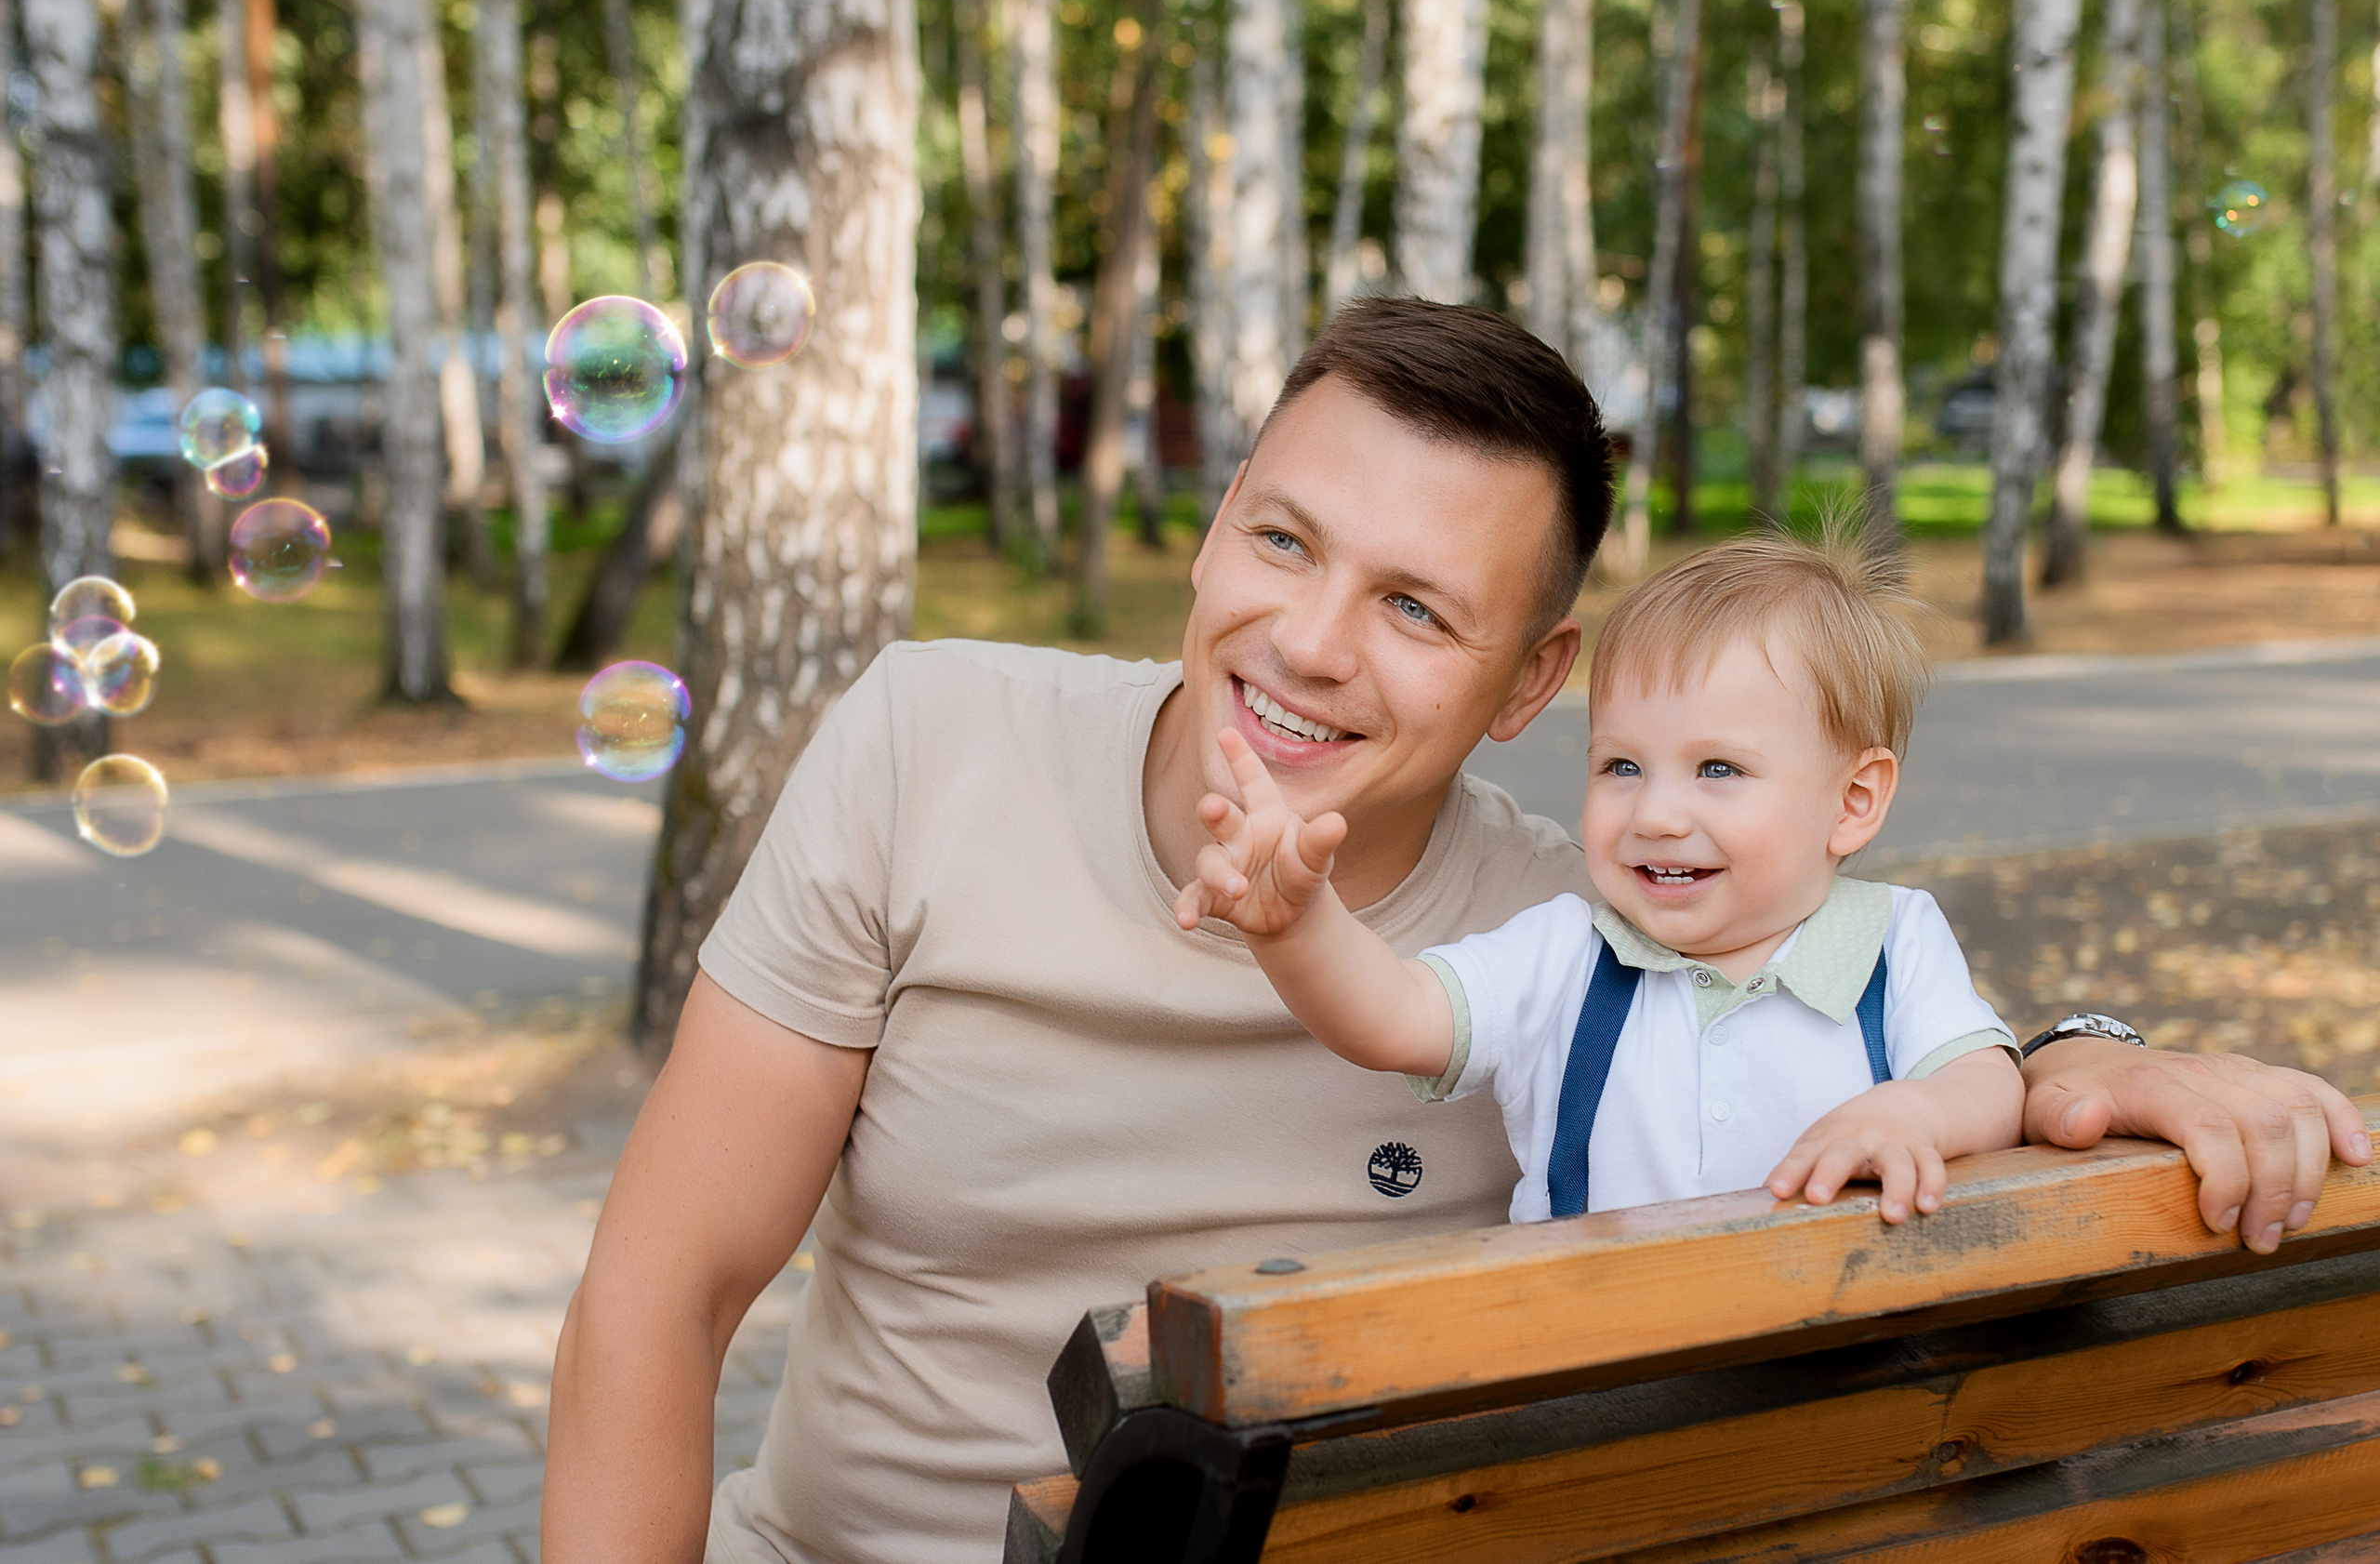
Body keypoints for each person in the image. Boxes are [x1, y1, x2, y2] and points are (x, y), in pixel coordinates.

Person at [542, 298, 2373, 1564]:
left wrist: (2092, 1057)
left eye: (1416, 607)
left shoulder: (1584, 932)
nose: (1310, 641)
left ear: (1529, 681)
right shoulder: (926, 741)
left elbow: (1878, 1020)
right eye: (1282, 541)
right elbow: (660, 1288)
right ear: (1212, 529)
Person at [1177, 528, 2023, 1226]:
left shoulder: (1894, 942)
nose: (1656, 813)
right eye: (1622, 765)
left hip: (1838, 1344)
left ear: (1853, 800)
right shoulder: (1568, 954)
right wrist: (1298, 927)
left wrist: (1913, 1113)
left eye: (1718, 769)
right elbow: (1396, 1016)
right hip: (1599, 1352)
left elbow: (1988, 1083)